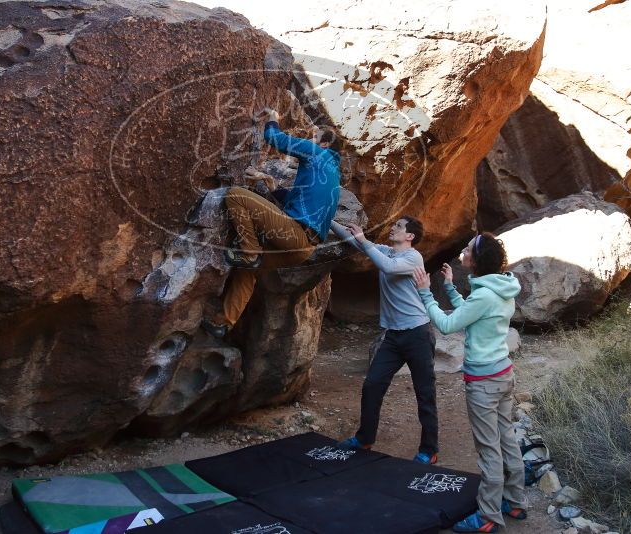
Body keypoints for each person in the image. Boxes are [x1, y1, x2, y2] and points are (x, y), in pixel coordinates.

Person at [412, 232, 526, 533]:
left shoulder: (484, 294)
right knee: (506, 439)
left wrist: (426, 292)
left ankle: (488, 515)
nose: (462, 250)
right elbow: (473, 313)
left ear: (475, 260)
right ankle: (514, 501)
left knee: (489, 448)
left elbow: (449, 325)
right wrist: (449, 288)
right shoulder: (501, 287)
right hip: (502, 374)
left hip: (484, 382)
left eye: (468, 249)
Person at [201, 108, 341, 338]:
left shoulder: (317, 153)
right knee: (248, 271)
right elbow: (299, 203)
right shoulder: (332, 172)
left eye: (313, 138)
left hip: (294, 233)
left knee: (235, 194)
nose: (308, 140)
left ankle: (249, 251)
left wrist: (274, 117)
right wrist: (271, 183)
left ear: (324, 144)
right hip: (302, 248)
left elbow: (274, 139)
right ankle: (224, 323)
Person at [330, 217, 439, 464]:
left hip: (418, 334)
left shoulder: (413, 258)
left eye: (399, 227)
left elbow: (388, 267)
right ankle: (365, 438)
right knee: (372, 385)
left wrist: (365, 243)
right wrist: (328, 220)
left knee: (425, 393)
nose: (393, 228)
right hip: (392, 336)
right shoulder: (386, 251)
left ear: (410, 236)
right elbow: (355, 241)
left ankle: (429, 450)